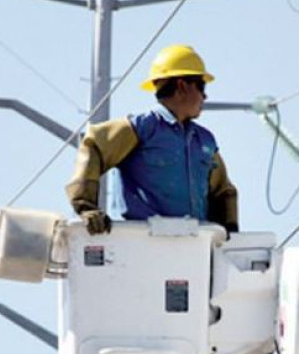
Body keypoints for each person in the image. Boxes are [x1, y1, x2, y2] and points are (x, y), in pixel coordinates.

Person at [66, 44, 238, 235]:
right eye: (201, 86)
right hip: (144, 242)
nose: (205, 96)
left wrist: (229, 234)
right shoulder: (141, 129)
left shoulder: (204, 141)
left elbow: (224, 192)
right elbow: (95, 144)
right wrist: (86, 207)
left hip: (194, 246)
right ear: (182, 86)